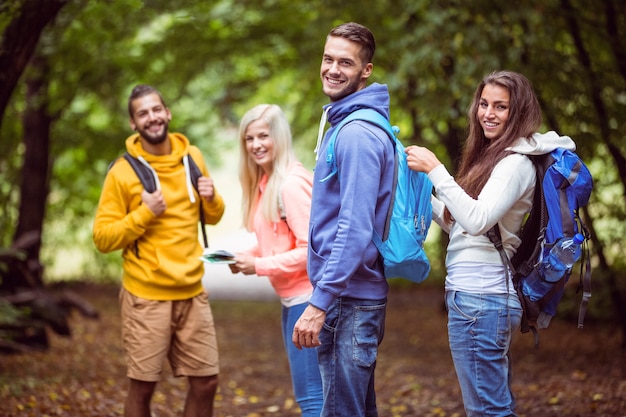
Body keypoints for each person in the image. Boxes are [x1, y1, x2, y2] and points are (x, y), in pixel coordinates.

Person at [405, 70, 577, 416]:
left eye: (501, 107)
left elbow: (478, 219)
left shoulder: (515, 164)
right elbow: (464, 227)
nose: (488, 113)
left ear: (519, 113)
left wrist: (436, 169)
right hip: (478, 299)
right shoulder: (495, 158)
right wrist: (420, 191)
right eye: (484, 104)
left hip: (481, 300)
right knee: (490, 407)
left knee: (488, 410)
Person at [93, 84, 225, 417]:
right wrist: (144, 213)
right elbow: (103, 238)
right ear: (133, 124)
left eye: (156, 110)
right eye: (142, 113)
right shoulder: (122, 172)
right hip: (146, 298)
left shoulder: (192, 157)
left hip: (192, 293)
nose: (151, 118)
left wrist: (212, 198)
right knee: (143, 387)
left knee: (207, 381)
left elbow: (213, 215)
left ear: (167, 113)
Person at [292, 22, 396, 417]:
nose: (333, 69)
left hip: (350, 302)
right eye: (328, 58)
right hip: (350, 298)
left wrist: (319, 302)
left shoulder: (357, 134)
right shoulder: (346, 123)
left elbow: (355, 228)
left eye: (345, 63)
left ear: (365, 70)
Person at [229, 104, 323, 416]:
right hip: (290, 301)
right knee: (309, 394)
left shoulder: (290, 185)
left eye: (263, 136)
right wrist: (249, 256)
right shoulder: (266, 182)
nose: (256, 145)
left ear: (279, 137)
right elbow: (276, 240)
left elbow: (310, 250)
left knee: (312, 398)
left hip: (307, 301)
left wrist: (258, 266)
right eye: (249, 138)